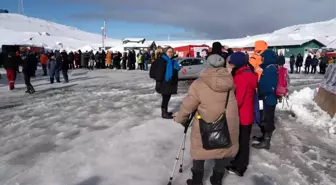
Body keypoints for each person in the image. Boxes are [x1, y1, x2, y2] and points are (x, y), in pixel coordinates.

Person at [173, 46, 239, 185]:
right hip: (227, 121)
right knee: (222, 150)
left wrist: (180, 118)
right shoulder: (230, 82)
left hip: (206, 121)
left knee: (200, 150)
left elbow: (188, 105)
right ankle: (217, 179)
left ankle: (197, 181)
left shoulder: (199, 83)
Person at [226, 52, 258, 177]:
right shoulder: (248, 73)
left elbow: (237, 100)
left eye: (232, 62)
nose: (230, 64)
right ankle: (238, 162)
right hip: (247, 113)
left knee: (243, 141)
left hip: (242, 115)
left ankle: (240, 167)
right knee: (243, 141)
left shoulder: (241, 77)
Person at [252, 49, 278, 150]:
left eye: (263, 57)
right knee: (265, 118)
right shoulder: (269, 67)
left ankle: (266, 142)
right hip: (267, 98)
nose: (262, 59)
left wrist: (260, 91)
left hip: (269, 98)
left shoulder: (270, 69)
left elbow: (268, 85)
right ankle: (263, 138)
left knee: (268, 120)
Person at [154, 46, 181, 119]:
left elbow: (176, 69)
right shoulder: (161, 60)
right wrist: (159, 80)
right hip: (164, 83)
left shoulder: (173, 61)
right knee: (165, 98)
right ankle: (164, 113)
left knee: (167, 98)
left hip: (170, 83)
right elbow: (153, 72)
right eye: (169, 52)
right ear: (165, 52)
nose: (171, 53)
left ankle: (165, 111)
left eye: (172, 52)